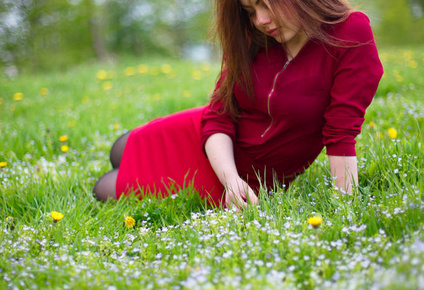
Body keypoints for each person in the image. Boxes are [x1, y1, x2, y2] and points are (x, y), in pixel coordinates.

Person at [93, 0, 384, 210]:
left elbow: (341, 132)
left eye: (265, 5)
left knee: (103, 189)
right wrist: (230, 179)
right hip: (215, 146)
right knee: (121, 147)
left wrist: (346, 209)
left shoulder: (350, 31)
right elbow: (219, 114)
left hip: (253, 177)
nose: (260, 20)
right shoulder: (253, 35)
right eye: (250, 11)